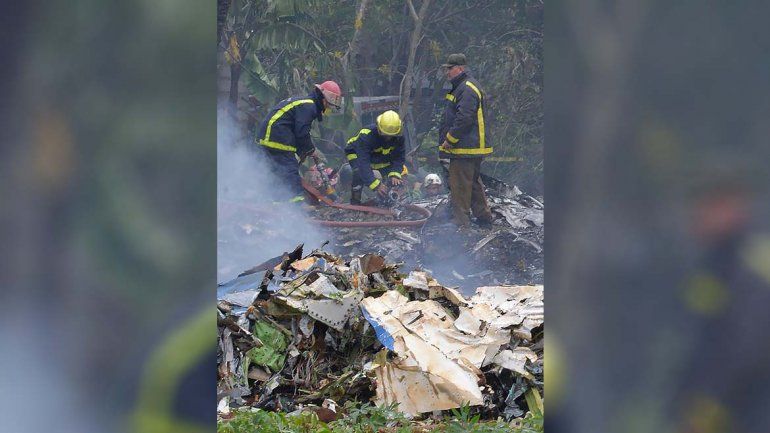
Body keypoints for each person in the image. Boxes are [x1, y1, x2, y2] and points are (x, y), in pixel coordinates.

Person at [255, 81, 342, 203]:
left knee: (276, 174)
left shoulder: (305, 103)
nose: (328, 109)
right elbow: (301, 132)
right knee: (290, 171)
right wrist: (311, 149)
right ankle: (296, 208)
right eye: (328, 105)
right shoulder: (309, 106)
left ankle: (276, 205)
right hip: (277, 137)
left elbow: (297, 130)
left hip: (270, 137)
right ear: (323, 99)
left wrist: (305, 150)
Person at [438, 53, 494, 227]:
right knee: (474, 184)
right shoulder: (462, 86)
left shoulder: (466, 88)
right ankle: (484, 219)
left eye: (450, 68)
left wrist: (450, 139)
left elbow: (464, 118)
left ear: (460, 68)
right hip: (470, 147)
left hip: (465, 148)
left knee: (460, 186)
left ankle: (461, 225)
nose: (447, 72)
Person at [344, 110, 406, 205]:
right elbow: (363, 163)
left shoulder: (399, 137)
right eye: (385, 135)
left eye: (391, 136)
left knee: (388, 178)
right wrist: (376, 185)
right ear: (379, 128)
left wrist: (395, 174)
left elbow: (399, 157)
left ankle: (384, 201)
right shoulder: (366, 135)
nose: (388, 139)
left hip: (380, 156)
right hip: (356, 153)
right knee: (358, 173)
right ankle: (355, 202)